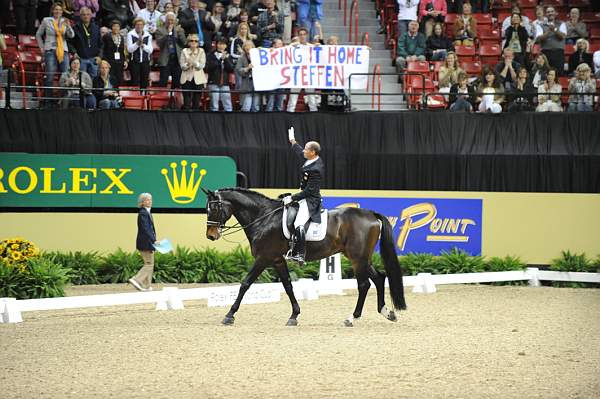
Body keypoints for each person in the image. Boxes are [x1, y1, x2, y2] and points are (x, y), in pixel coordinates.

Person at [283, 127, 324, 265]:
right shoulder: (311, 160)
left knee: (298, 223)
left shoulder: (316, 169)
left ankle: (300, 254)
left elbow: (309, 191)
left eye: (306, 149)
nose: (304, 151)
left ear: (312, 152)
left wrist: (292, 198)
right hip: (304, 195)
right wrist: (293, 141)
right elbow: (299, 152)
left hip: (310, 199)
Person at [37, 3, 76, 104]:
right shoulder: (46, 20)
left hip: (64, 50)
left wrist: (68, 26)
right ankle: (48, 102)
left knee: (65, 76)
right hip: (50, 50)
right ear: (52, 11)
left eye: (60, 10)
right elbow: (38, 34)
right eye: (56, 9)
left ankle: (64, 101)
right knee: (49, 76)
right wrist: (42, 48)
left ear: (62, 11)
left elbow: (71, 36)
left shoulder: (65, 21)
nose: (58, 11)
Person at [129, 192, 159, 292]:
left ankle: (146, 285)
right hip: (145, 243)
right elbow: (146, 229)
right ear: (142, 202)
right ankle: (137, 279)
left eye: (150, 199)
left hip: (148, 242)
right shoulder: (143, 213)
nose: (150, 201)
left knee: (150, 263)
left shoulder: (147, 212)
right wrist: (154, 240)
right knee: (149, 264)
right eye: (147, 200)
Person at [286, 27, 320, 112]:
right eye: (300, 34)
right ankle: (289, 117)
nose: (302, 36)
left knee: (311, 99)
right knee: (293, 99)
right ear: (298, 36)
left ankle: (314, 118)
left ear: (307, 35)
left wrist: (319, 47)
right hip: (296, 75)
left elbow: (321, 54)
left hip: (308, 75)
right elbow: (284, 51)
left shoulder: (311, 46)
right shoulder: (294, 46)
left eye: (304, 34)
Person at [155, 12, 187, 88]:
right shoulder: (160, 30)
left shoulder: (179, 30)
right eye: (168, 20)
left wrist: (179, 33)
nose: (170, 22)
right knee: (163, 82)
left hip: (177, 59)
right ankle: (162, 98)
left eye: (172, 20)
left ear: (175, 21)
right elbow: (160, 44)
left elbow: (184, 43)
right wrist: (169, 33)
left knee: (176, 82)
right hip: (165, 59)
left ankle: (174, 98)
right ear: (165, 21)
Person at [70, 7, 102, 78]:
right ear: (80, 16)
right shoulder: (75, 28)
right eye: (84, 15)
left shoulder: (96, 27)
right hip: (81, 58)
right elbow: (70, 42)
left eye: (88, 14)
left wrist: (100, 56)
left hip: (94, 59)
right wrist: (74, 52)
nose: (86, 16)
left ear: (91, 15)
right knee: (82, 79)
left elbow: (101, 44)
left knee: (94, 79)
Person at [534, 6, 566, 75]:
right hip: (545, 53)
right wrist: (548, 31)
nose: (550, 13)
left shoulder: (562, 24)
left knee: (559, 74)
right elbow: (538, 39)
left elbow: (562, 37)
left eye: (552, 11)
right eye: (548, 12)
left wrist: (554, 29)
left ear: (555, 13)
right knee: (545, 74)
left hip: (558, 53)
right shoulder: (540, 25)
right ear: (545, 14)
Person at [206, 37, 234, 111]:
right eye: (220, 44)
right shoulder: (210, 55)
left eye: (223, 44)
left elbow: (231, 69)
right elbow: (207, 68)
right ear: (217, 45)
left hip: (225, 83)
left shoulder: (228, 56)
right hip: (213, 82)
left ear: (226, 46)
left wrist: (226, 59)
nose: (221, 46)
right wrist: (219, 60)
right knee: (214, 106)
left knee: (228, 105)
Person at [179, 33, 207, 109]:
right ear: (188, 42)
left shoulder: (201, 51)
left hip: (198, 79)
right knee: (186, 103)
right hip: (186, 79)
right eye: (191, 40)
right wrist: (188, 64)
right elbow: (182, 66)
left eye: (196, 41)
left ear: (198, 43)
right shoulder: (184, 51)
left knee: (196, 102)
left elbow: (201, 66)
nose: (194, 42)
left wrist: (193, 63)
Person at [126, 17, 153, 89]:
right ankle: (136, 98)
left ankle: (144, 97)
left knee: (144, 81)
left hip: (145, 61)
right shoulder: (130, 34)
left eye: (141, 25)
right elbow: (129, 49)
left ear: (143, 26)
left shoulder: (148, 35)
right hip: (134, 61)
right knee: (135, 81)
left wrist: (143, 45)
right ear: (135, 25)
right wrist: (137, 44)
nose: (139, 26)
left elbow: (150, 50)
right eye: (137, 24)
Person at [235, 40, 261, 112]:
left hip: (257, 85)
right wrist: (247, 68)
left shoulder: (259, 56)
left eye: (249, 45)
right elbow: (238, 70)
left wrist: (262, 50)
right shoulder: (241, 57)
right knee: (246, 106)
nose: (247, 47)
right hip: (247, 84)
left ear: (253, 47)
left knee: (256, 107)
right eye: (246, 46)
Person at [101, 20, 127, 87]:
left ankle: (118, 94)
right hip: (109, 61)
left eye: (117, 26)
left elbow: (122, 50)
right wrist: (103, 60)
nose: (116, 28)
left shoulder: (121, 37)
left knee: (119, 79)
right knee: (111, 79)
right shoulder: (106, 36)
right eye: (114, 26)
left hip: (119, 62)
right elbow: (102, 49)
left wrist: (125, 60)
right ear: (111, 27)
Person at [266, 38, 287, 111]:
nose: (281, 45)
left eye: (281, 44)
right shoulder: (269, 52)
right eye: (279, 44)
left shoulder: (285, 53)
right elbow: (260, 50)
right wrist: (269, 51)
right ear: (274, 45)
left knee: (280, 102)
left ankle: (279, 118)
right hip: (272, 81)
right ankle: (268, 117)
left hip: (282, 81)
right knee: (270, 102)